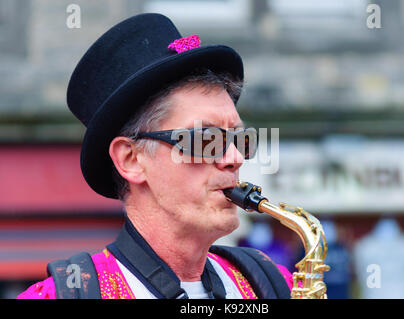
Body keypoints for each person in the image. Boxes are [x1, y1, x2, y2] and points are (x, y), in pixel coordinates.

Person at [17, 13, 292, 299]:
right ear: (131, 160)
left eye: (240, 138)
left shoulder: (272, 284)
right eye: (206, 139)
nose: (234, 157)